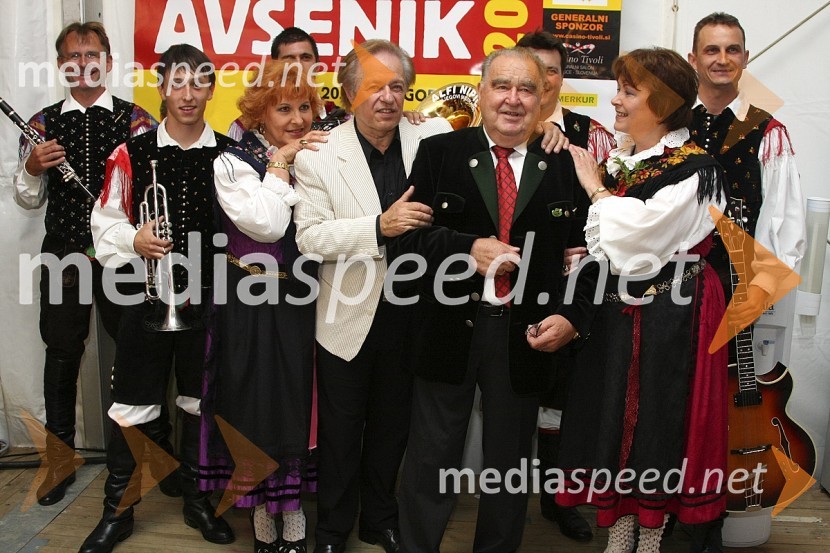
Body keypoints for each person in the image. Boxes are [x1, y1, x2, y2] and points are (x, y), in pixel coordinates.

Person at [396, 46, 588, 553]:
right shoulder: (440, 154)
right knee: (431, 458)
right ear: (480, 92)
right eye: (501, 86)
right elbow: (405, 241)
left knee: (509, 466)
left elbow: (585, 258)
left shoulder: (565, 163)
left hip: (525, 337)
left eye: (526, 88)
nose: (513, 99)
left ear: (544, 97)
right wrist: (466, 249)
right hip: (447, 330)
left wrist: (571, 316)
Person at [554, 48, 728, 553]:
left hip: (676, 311)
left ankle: (649, 537)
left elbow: (639, 242)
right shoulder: (626, 159)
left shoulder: (694, 169)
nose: (617, 99)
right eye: (619, 88)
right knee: (615, 413)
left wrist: (595, 190)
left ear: (664, 102)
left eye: (630, 91)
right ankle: (621, 529)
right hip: (626, 310)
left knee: (657, 416)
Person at [290, 38, 453, 553]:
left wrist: (555, 132)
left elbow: (502, 130)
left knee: (392, 428)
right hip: (344, 317)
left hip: (413, 314)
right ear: (349, 93)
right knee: (341, 434)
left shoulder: (434, 137)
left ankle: (378, 518)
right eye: (374, 87)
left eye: (397, 86)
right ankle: (334, 530)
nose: (387, 98)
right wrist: (378, 227)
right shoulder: (320, 154)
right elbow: (309, 238)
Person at [80, 44, 235, 553]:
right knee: (130, 406)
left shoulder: (230, 158)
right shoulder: (130, 153)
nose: (188, 95)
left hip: (207, 303)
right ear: (161, 87)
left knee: (198, 403)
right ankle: (118, 511)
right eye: (177, 83)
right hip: (141, 302)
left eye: (199, 84)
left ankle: (195, 500)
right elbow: (102, 230)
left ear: (212, 89)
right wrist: (133, 240)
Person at [13, 21, 157, 507]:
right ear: (61, 67)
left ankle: (142, 456)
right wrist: (33, 168)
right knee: (61, 351)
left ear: (109, 62)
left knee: (137, 352)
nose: (83, 64)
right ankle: (59, 460)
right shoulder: (40, 124)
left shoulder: (138, 121)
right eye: (72, 57)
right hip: (65, 251)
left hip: (122, 255)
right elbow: (28, 198)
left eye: (92, 54)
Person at [686, 12, 806, 552]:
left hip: (736, 290)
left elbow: (786, 223)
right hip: (675, 289)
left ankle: (714, 518)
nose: (721, 59)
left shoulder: (767, 131)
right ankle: (670, 513)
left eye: (732, 50)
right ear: (693, 59)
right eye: (711, 50)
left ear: (745, 59)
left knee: (724, 404)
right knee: (676, 402)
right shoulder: (668, 125)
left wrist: (758, 294)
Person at [199, 60, 329, 553]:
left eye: (303, 108)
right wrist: (280, 163)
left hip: (298, 301)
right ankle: (262, 524)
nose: (296, 118)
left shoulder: (317, 159)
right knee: (252, 409)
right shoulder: (231, 161)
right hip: (247, 304)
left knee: (295, 407)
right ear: (259, 113)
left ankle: (292, 519)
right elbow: (267, 224)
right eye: (283, 108)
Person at [517, 30, 615, 543]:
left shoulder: (593, 134)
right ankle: (504, 502)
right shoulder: (495, 128)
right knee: (508, 404)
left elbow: (613, 207)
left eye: (552, 70)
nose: (542, 79)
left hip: (574, 293)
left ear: (561, 79)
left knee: (562, 402)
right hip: (508, 290)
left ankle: (559, 501)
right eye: (532, 68)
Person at [227, 26, 343, 140]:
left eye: (305, 58)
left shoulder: (341, 121)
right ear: (275, 66)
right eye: (289, 59)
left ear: (317, 66)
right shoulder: (244, 127)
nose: (298, 65)